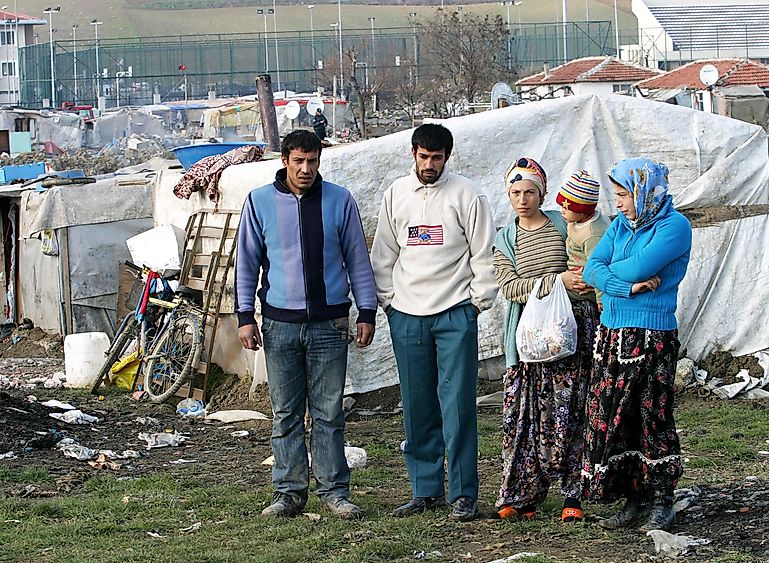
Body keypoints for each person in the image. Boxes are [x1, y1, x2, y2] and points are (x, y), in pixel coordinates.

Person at [234, 129, 377, 520]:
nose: (306, 169)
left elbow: (357, 260)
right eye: (298, 161)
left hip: (330, 324)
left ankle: (335, 492)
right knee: (285, 412)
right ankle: (289, 492)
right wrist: (245, 316)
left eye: (312, 161)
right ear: (285, 161)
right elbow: (246, 262)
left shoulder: (339, 200)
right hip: (279, 323)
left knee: (330, 412)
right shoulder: (259, 202)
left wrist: (366, 311)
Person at [371, 123, 498, 522]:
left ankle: (463, 494)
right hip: (407, 316)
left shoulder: (467, 195)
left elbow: (484, 255)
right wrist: (390, 304)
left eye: (437, 158)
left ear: (448, 157)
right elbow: (384, 252)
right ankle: (425, 490)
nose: (429, 165)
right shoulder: (396, 193)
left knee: (458, 404)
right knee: (416, 404)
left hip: (455, 313)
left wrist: (476, 304)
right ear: (413, 153)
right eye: (423, 157)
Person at [581, 158, 692, 532]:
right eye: (617, 195)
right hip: (612, 333)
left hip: (651, 336)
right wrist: (623, 288)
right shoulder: (619, 226)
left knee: (652, 415)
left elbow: (636, 268)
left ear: (645, 191)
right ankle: (634, 496)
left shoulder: (674, 226)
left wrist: (618, 275)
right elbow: (591, 268)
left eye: (624, 194)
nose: (619, 203)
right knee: (617, 417)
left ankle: (662, 497)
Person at [491, 158, 601, 524]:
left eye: (530, 192)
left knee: (571, 412)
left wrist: (584, 280)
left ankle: (575, 493)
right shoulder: (506, 239)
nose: (522, 199)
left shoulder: (562, 224)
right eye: (515, 192)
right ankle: (522, 494)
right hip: (530, 337)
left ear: (542, 193)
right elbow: (510, 287)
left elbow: (589, 254)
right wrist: (556, 283)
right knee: (524, 416)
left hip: (572, 330)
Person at [557, 170, 611, 311]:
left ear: (582, 211)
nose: (562, 210)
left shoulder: (592, 235)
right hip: (578, 274)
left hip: (589, 286)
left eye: (566, 207)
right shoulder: (576, 219)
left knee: (555, 295)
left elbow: (598, 266)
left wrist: (600, 298)